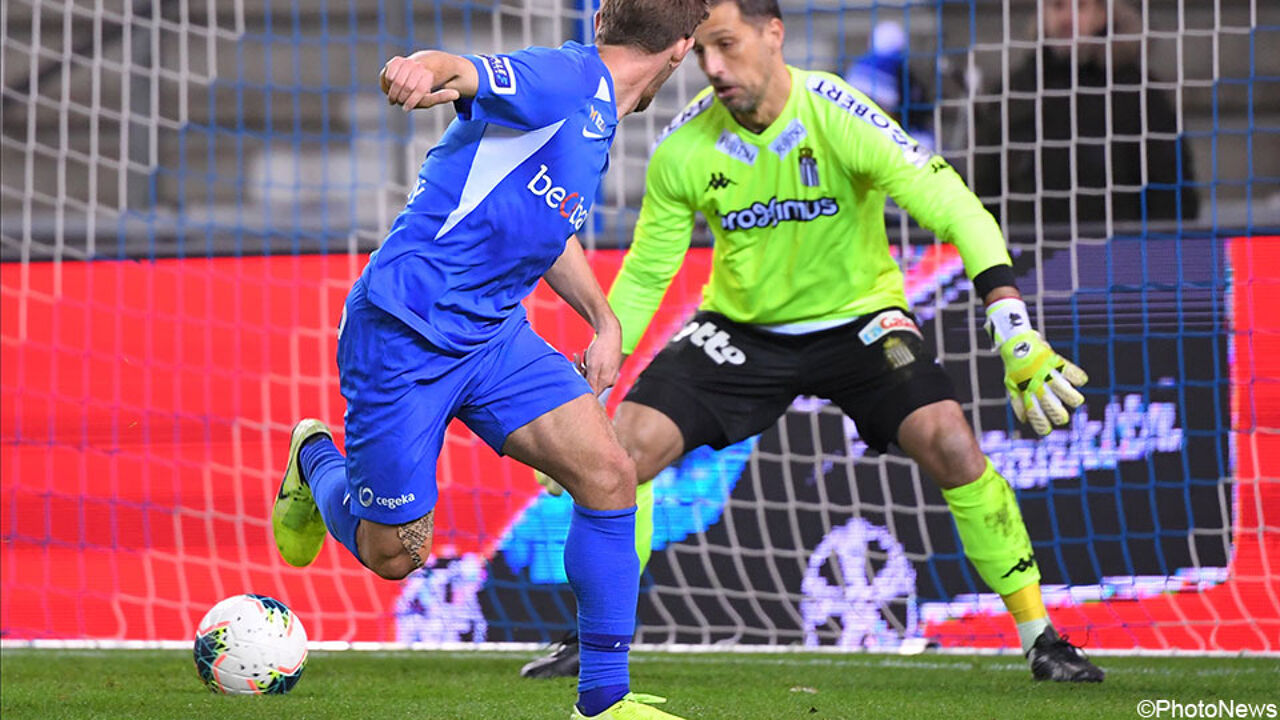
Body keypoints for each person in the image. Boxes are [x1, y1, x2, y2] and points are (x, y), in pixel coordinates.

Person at [520, 0, 1105, 684]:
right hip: (741, 332)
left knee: (951, 442)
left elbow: (954, 207)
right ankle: (597, 639)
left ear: (774, 34)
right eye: (702, 52)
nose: (713, 68)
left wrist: (1013, 326)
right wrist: (585, 399)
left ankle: (1042, 638)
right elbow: (648, 273)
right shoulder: (683, 148)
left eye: (728, 46)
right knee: (619, 452)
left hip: (859, 322)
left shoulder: (839, 112)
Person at [270, 1, 708, 718]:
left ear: (600, 16)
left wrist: (603, 319)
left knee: (609, 474)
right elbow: (464, 72)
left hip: (493, 336)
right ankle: (315, 459)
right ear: (683, 49)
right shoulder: (567, 77)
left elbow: (545, 221)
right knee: (397, 555)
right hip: (405, 332)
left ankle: (603, 703)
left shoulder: (594, 116)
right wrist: (421, 68)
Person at [972, 0, 1199, 229]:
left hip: (1116, 256)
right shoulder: (1013, 92)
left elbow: (1171, 191)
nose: (1067, 19)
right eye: (1058, 6)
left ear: (1103, 15)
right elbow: (985, 186)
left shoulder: (1139, 94)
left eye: (1080, 7)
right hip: (1028, 256)